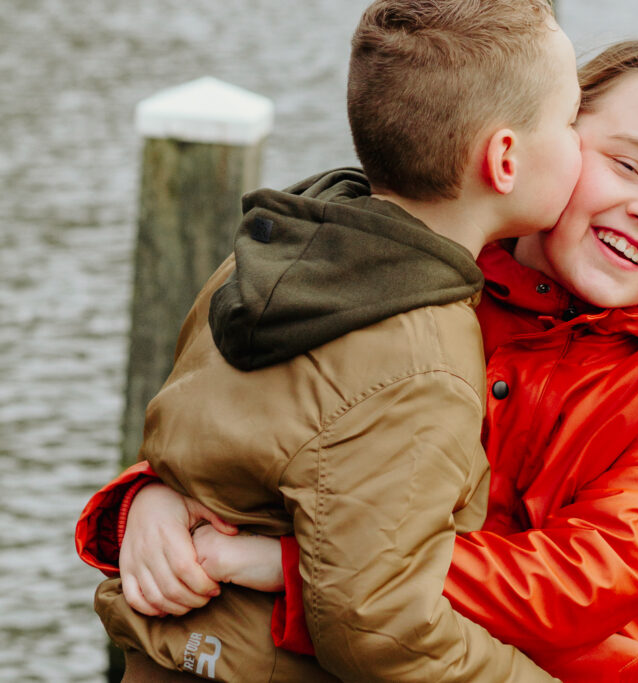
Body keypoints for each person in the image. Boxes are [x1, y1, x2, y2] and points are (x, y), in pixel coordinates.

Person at [77, 38, 638, 682]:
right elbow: (261, 424)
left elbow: (577, 581)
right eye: (626, 163)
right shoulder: (407, 280)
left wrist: (301, 565)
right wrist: (150, 498)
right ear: (548, 143)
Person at [77, 0, 583, 681]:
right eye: (571, 121)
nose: (579, 142)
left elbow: (186, 447)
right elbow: (380, 624)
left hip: (169, 658)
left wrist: (146, 498)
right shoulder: (420, 361)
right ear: (505, 158)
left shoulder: (264, 256)